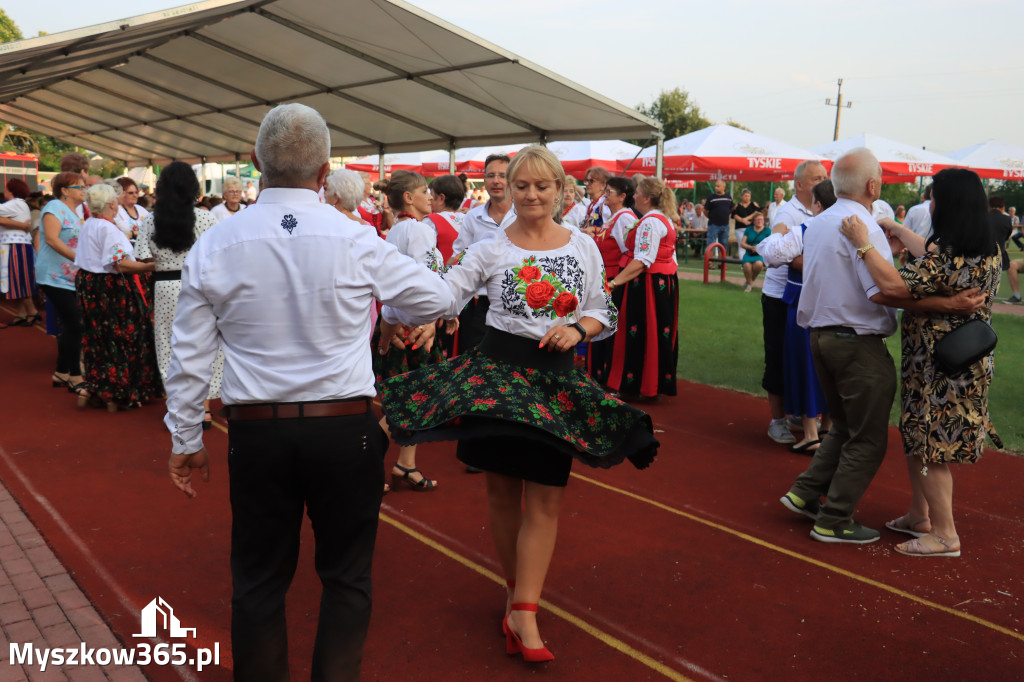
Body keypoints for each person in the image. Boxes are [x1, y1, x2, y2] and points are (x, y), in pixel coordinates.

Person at [164, 104, 455, 681]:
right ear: (325, 173)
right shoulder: (355, 238)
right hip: (344, 429)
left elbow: (190, 356)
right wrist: (387, 307)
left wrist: (184, 435)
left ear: (255, 164)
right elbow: (438, 300)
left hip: (257, 430)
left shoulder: (218, 243)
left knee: (258, 580)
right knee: (347, 578)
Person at [376, 145, 657, 663]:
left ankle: (521, 607)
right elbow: (445, 293)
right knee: (504, 497)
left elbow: (602, 309)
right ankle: (520, 602)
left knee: (546, 498)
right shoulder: (488, 249)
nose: (531, 194)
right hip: (497, 382)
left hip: (555, 383)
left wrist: (577, 328)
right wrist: (404, 312)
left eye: (541, 186)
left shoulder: (583, 247)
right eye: (522, 185)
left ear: (559, 190)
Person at [779, 148, 984, 544]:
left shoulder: (818, 222)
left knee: (842, 427)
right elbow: (885, 292)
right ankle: (834, 517)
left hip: (821, 337)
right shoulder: (864, 227)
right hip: (856, 342)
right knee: (868, 438)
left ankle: (805, 494)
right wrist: (947, 304)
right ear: (872, 185)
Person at [838, 168, 1000, 557]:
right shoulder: (986, 247)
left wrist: (864, 244)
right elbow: (929, 251)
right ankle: (919, 516)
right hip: (965, 362)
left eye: (934, 198)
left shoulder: (947, 257)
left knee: (931, 444)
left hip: (936, 367)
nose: (931, 204)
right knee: (919, 439)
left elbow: (893, 286)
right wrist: (895, 226)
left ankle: (945, 536)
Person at [375, 170, 453, 491]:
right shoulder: (416, 230)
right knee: (407, 401)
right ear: (409, 198)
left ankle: (405, 464)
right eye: (425, 191)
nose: (430, 197)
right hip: (414, 326)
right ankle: (364, 461)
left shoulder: (399, 229)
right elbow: (422, 280)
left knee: (415, 399)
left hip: (403, 321)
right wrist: (433, 316)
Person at [135, 161, 222, 427]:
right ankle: (205, 408)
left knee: (168, 347)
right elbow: (217, 256)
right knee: (204, 344)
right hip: (198, 286)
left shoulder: (150, 219)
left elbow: (141, 257)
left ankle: (178, 409)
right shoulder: (207, 218)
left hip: (165, 287)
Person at [758, 160, 827, 444]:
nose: (823, 182)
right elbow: (784, 255)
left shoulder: (823, 209)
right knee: (778, 357)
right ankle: (778, 421)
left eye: (825, 177)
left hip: (807, 295)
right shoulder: (787, 212)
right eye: (816, 178)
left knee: (806, 359)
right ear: (798, 184)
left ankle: (800, 412)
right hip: (781, 296)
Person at [74, 183, 160, 411]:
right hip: (110, 288)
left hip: (89, 284)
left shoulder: (89, 224)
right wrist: (151, 266)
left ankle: (97, 386)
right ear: (112, 203)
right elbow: (120, 263)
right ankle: (120, 390)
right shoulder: (108, 228)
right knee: (123, 338)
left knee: (97, 338)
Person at [606, 177, 679, 399]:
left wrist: (615, 282)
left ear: (646, 198)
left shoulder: (649, 222)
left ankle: (635, 386)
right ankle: (651, 385)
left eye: (637, 193)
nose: (634, 196)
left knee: (637, 333)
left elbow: (642, 260)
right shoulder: (664, 218)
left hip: (646, 285)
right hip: (662, 283)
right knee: (656, 334)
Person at [450, 153, 516, 351]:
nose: (496, 181)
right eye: (490, 175)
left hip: (515, 302)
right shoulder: (473, 217)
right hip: (480, 304)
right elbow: (458, 258)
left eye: (502, 175)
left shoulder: (523, 215)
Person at [36, 172, 86, 396]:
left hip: (70, 277)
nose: (84, 190)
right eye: (79, 187)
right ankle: (75, 376)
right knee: (74, 324)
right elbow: (52, 239)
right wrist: (79, 259)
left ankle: (60, 372)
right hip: (53, 276)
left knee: (71, 323)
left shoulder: (77, 212)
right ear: (64, 190)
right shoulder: (54, 207)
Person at [588, 176, 634, 384]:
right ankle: (599, 373)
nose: (605, 195)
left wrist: (616, 281)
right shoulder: (614, 217)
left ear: (622, 197)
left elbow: (629, 252)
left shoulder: (624, 218)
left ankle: (609, 376)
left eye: (609, 192)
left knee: (609, 328)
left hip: (614, 279)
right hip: (604, 277)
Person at [0, 178, 39, 326]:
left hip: (16, 245)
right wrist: (21, 225)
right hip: (17, 244)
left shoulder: (15, 204)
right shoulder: (19, 205)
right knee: (19, 279)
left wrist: (22, 225)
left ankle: (32, 311)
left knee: (19, 279)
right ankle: (22, 313)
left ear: (11, 191)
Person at [424, 174, 465, 263]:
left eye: (431, 194)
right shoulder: (469, 219)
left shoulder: (431, 221)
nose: (429, 198)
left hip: (444, 274)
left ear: (441, 198)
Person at [988, 197, 1015, 302]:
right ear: (1003, 207)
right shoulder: (1007, 219)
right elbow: (1008, 236)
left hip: (983, 252)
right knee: (995, 280)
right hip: (1000, 252)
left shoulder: (982, 217)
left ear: (989, 206)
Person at [739, 212, 770, 293]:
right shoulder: (748, 229)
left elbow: (769, 244)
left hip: (760, 254)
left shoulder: (767, 230)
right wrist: (750, 247)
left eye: (761, 219)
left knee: (759, 265)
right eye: (757, 219)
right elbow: (742, 243)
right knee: (746, 265)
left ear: (763, 221)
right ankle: (750, 284)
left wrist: (759, 248)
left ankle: (749, 281)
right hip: (749, 253)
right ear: (753, 221)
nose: (759, 221)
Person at [704, 180, 733, 253]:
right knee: (711, 244)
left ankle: (721, 263)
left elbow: (731, 208)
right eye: (715, 186)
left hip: (725, 225)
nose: (716, 188)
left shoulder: (728, 197)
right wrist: (712, 217)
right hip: (713, 225)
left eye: (718, 186)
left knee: (723, 244)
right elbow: (705, 211)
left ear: (724, 187)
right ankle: (709, 263)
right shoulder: (711, 198)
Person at [580, 166, 611, 232]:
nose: (587, 184)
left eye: (591, 181)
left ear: (603, 186)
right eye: (586, 181)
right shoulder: (591, 205)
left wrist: (595, 229)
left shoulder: (605, 204)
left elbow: (609, 227)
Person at [731, 188, 760, 257]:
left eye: (748, 196)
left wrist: (746, 219)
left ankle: (752, 261)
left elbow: (756, 213)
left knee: (752, 244)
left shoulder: (754, 204)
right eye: (745, 196)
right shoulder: (737, 206)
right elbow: (734, 215)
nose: (747, 197)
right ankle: (742, 263)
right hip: (740, 229)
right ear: (742, 196)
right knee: (741, 245)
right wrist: (742, 220)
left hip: (751, 228)